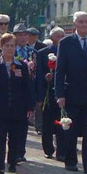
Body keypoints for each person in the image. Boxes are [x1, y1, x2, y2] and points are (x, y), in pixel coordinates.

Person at [0, 33, 34, 174]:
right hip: (0, 108)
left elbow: (27, 88)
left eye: (12, 45)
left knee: (15, 138)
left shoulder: (21, 65)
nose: (10, 48)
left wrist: (30, 107)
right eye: (7, 45)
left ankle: (12, 162)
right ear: (1, 46)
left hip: (18, 108)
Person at [56, 11, 87, 173]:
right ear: (74, 24)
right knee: (71, 130)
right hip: (72, 94)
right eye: (80, 22)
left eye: (86, 22)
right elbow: (60, 70)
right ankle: (71, 161)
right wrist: (60, 94)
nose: (84, 25)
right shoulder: (66, 42)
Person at [36, 26, 65, 160]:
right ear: (52, 38)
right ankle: (48, 149)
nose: (60, 39)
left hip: (62, 92)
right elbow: (38, 73)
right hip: (48, 92)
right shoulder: (43, 53)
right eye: (58, 36)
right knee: (47, 123)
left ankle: (62, 150)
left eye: (62, 36)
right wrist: (45, 77)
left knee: (62, 122)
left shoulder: (67, 51)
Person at [13, 23, 37, 163]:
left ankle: (20, 152)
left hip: (27, 92)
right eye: (20, 35)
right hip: (13, 91)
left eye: (25, 35)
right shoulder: (10, 50)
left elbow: (36, 75)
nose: (23, 37)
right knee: (14, 125)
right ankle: (14, 151)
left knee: (24, 125)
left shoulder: (32, 52)